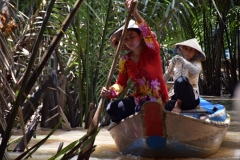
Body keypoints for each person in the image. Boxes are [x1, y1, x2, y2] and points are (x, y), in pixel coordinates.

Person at [101, 0, 169, 124]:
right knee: (112, 108)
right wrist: (109, 91)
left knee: (142, 109)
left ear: (141, 37)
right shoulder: (125, 60)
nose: (128, 41)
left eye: (132, 36)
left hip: (157, 99)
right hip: (139, 98)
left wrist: (134, 12)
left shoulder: (152, 50)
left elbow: (147, 32)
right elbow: (120, 84)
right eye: (125, 39)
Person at [164, 38, 206, 114]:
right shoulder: (176, 61)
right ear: (181, 49)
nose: (187, 51)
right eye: (185, 48)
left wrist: (183, 61)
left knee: (182, 80)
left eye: (191, 50)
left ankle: (178, 104)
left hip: (190, 99)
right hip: (175, 96)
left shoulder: (196, 63)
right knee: (165, 105)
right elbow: (165, 77)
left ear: (195, 52)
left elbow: (196, 71)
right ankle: (176, 103)